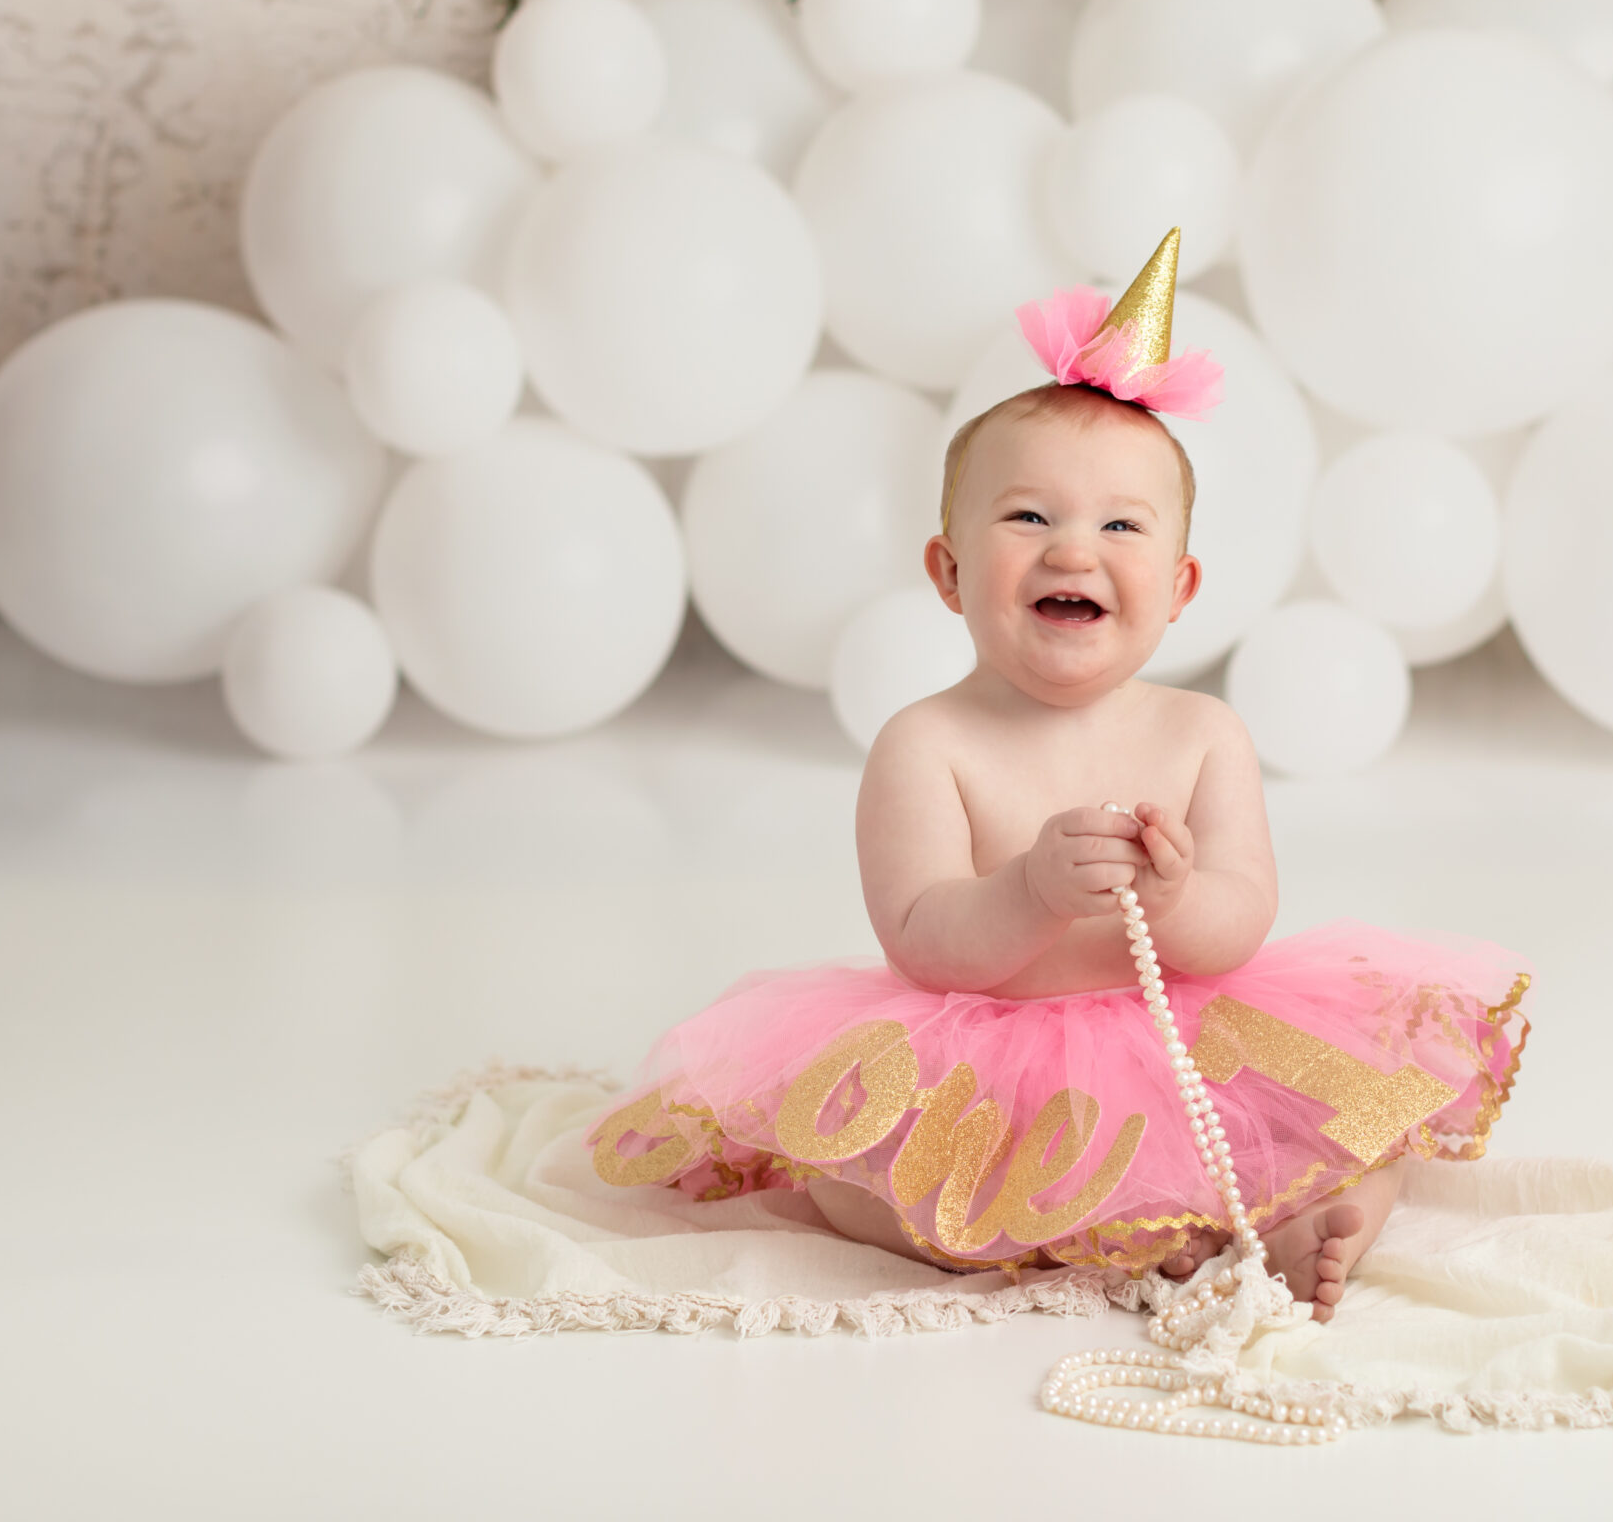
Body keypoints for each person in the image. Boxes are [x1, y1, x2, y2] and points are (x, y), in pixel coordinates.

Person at [587, 232, 1529, 1321]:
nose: (1072, 551)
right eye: (1028, 516)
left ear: (1178, 586)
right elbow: (920, 936)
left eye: (1120, 525)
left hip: (1181, 1042)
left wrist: (1178, 899)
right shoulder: (926, 744)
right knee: (854, 1191)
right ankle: (1122, 1238)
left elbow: (1241, 922)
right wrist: (1025, 894)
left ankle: (1323, 1214)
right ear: (946, 571)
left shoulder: (1202, 735)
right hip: (988, 1068)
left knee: (1350, 1121)